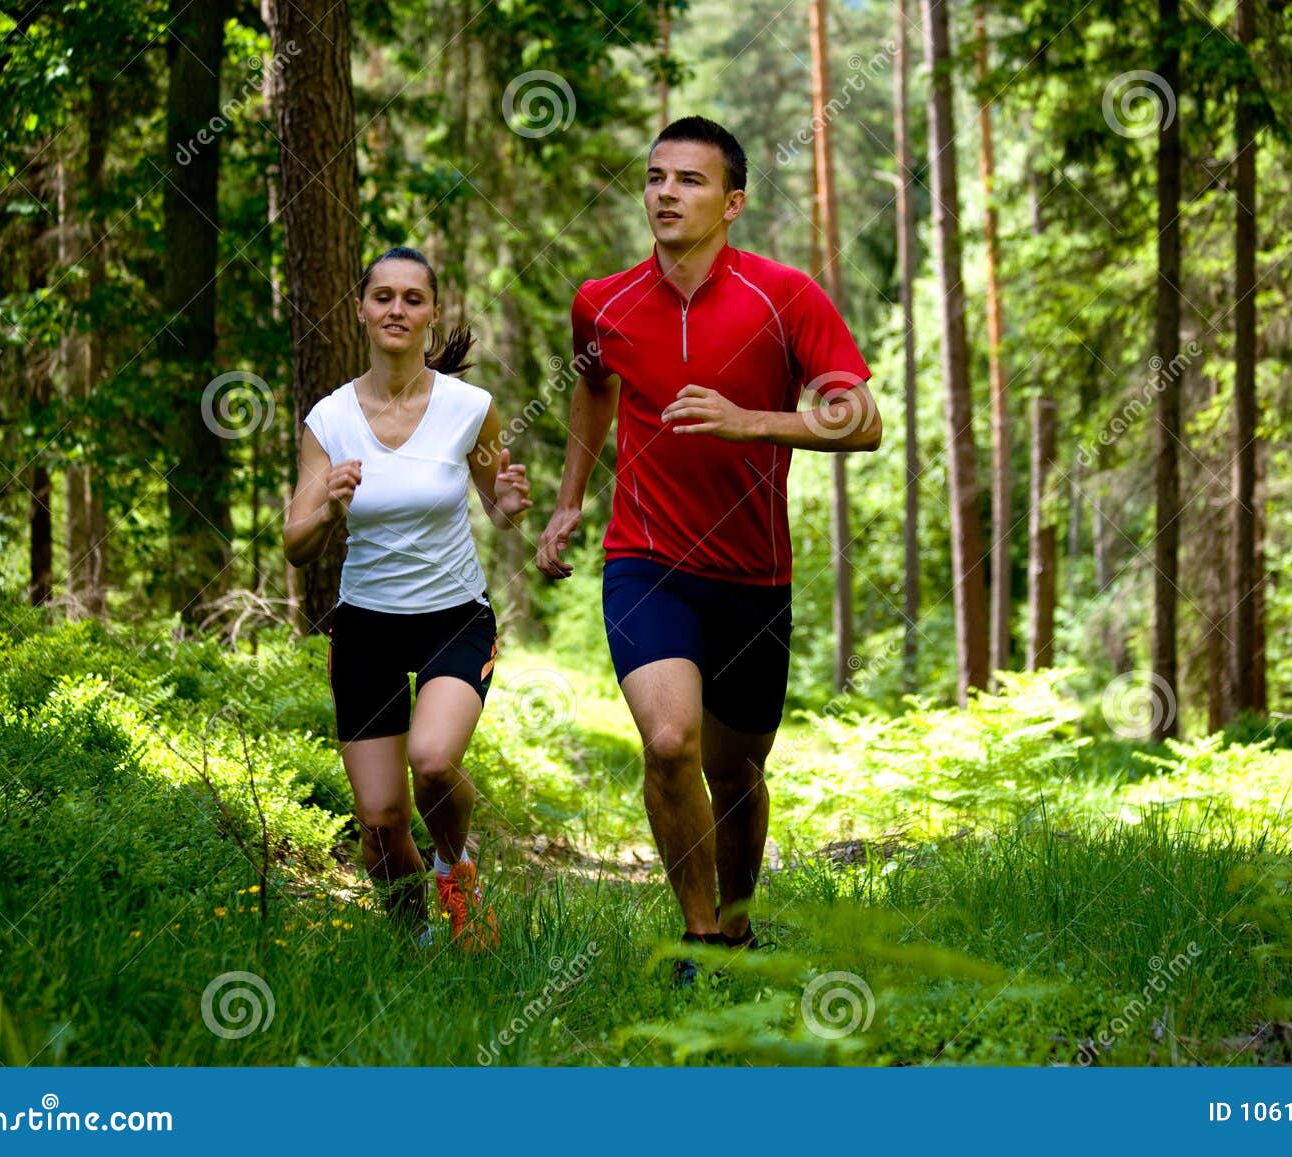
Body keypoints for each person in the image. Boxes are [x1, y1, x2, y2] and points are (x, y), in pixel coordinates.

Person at [535, 117, 881, 984]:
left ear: (731, 203)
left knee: (736, 774)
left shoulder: (785, 296)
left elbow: (863, 420)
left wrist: (753, 422)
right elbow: (592, 388)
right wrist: (570, 501)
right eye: (655, 177)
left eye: (688, 180)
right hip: (646, 558)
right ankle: (698, 942)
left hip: (755, 574)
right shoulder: (602, 301)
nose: (665, 193)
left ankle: (737, 924)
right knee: (668, 741)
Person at [284, 246, 532, 952]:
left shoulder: (469, 409)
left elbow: (495, 499)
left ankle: (456, 868)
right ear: (361, 310)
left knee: (431, 759)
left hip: (454, 618)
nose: (397, 310)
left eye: (412, 298)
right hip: (365, 626)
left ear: (433, 314)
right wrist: (327, 510)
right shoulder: (329, 420)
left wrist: (509, 503)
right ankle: (414, 944)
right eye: (383, 296)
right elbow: (295, 542)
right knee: (381, 818)